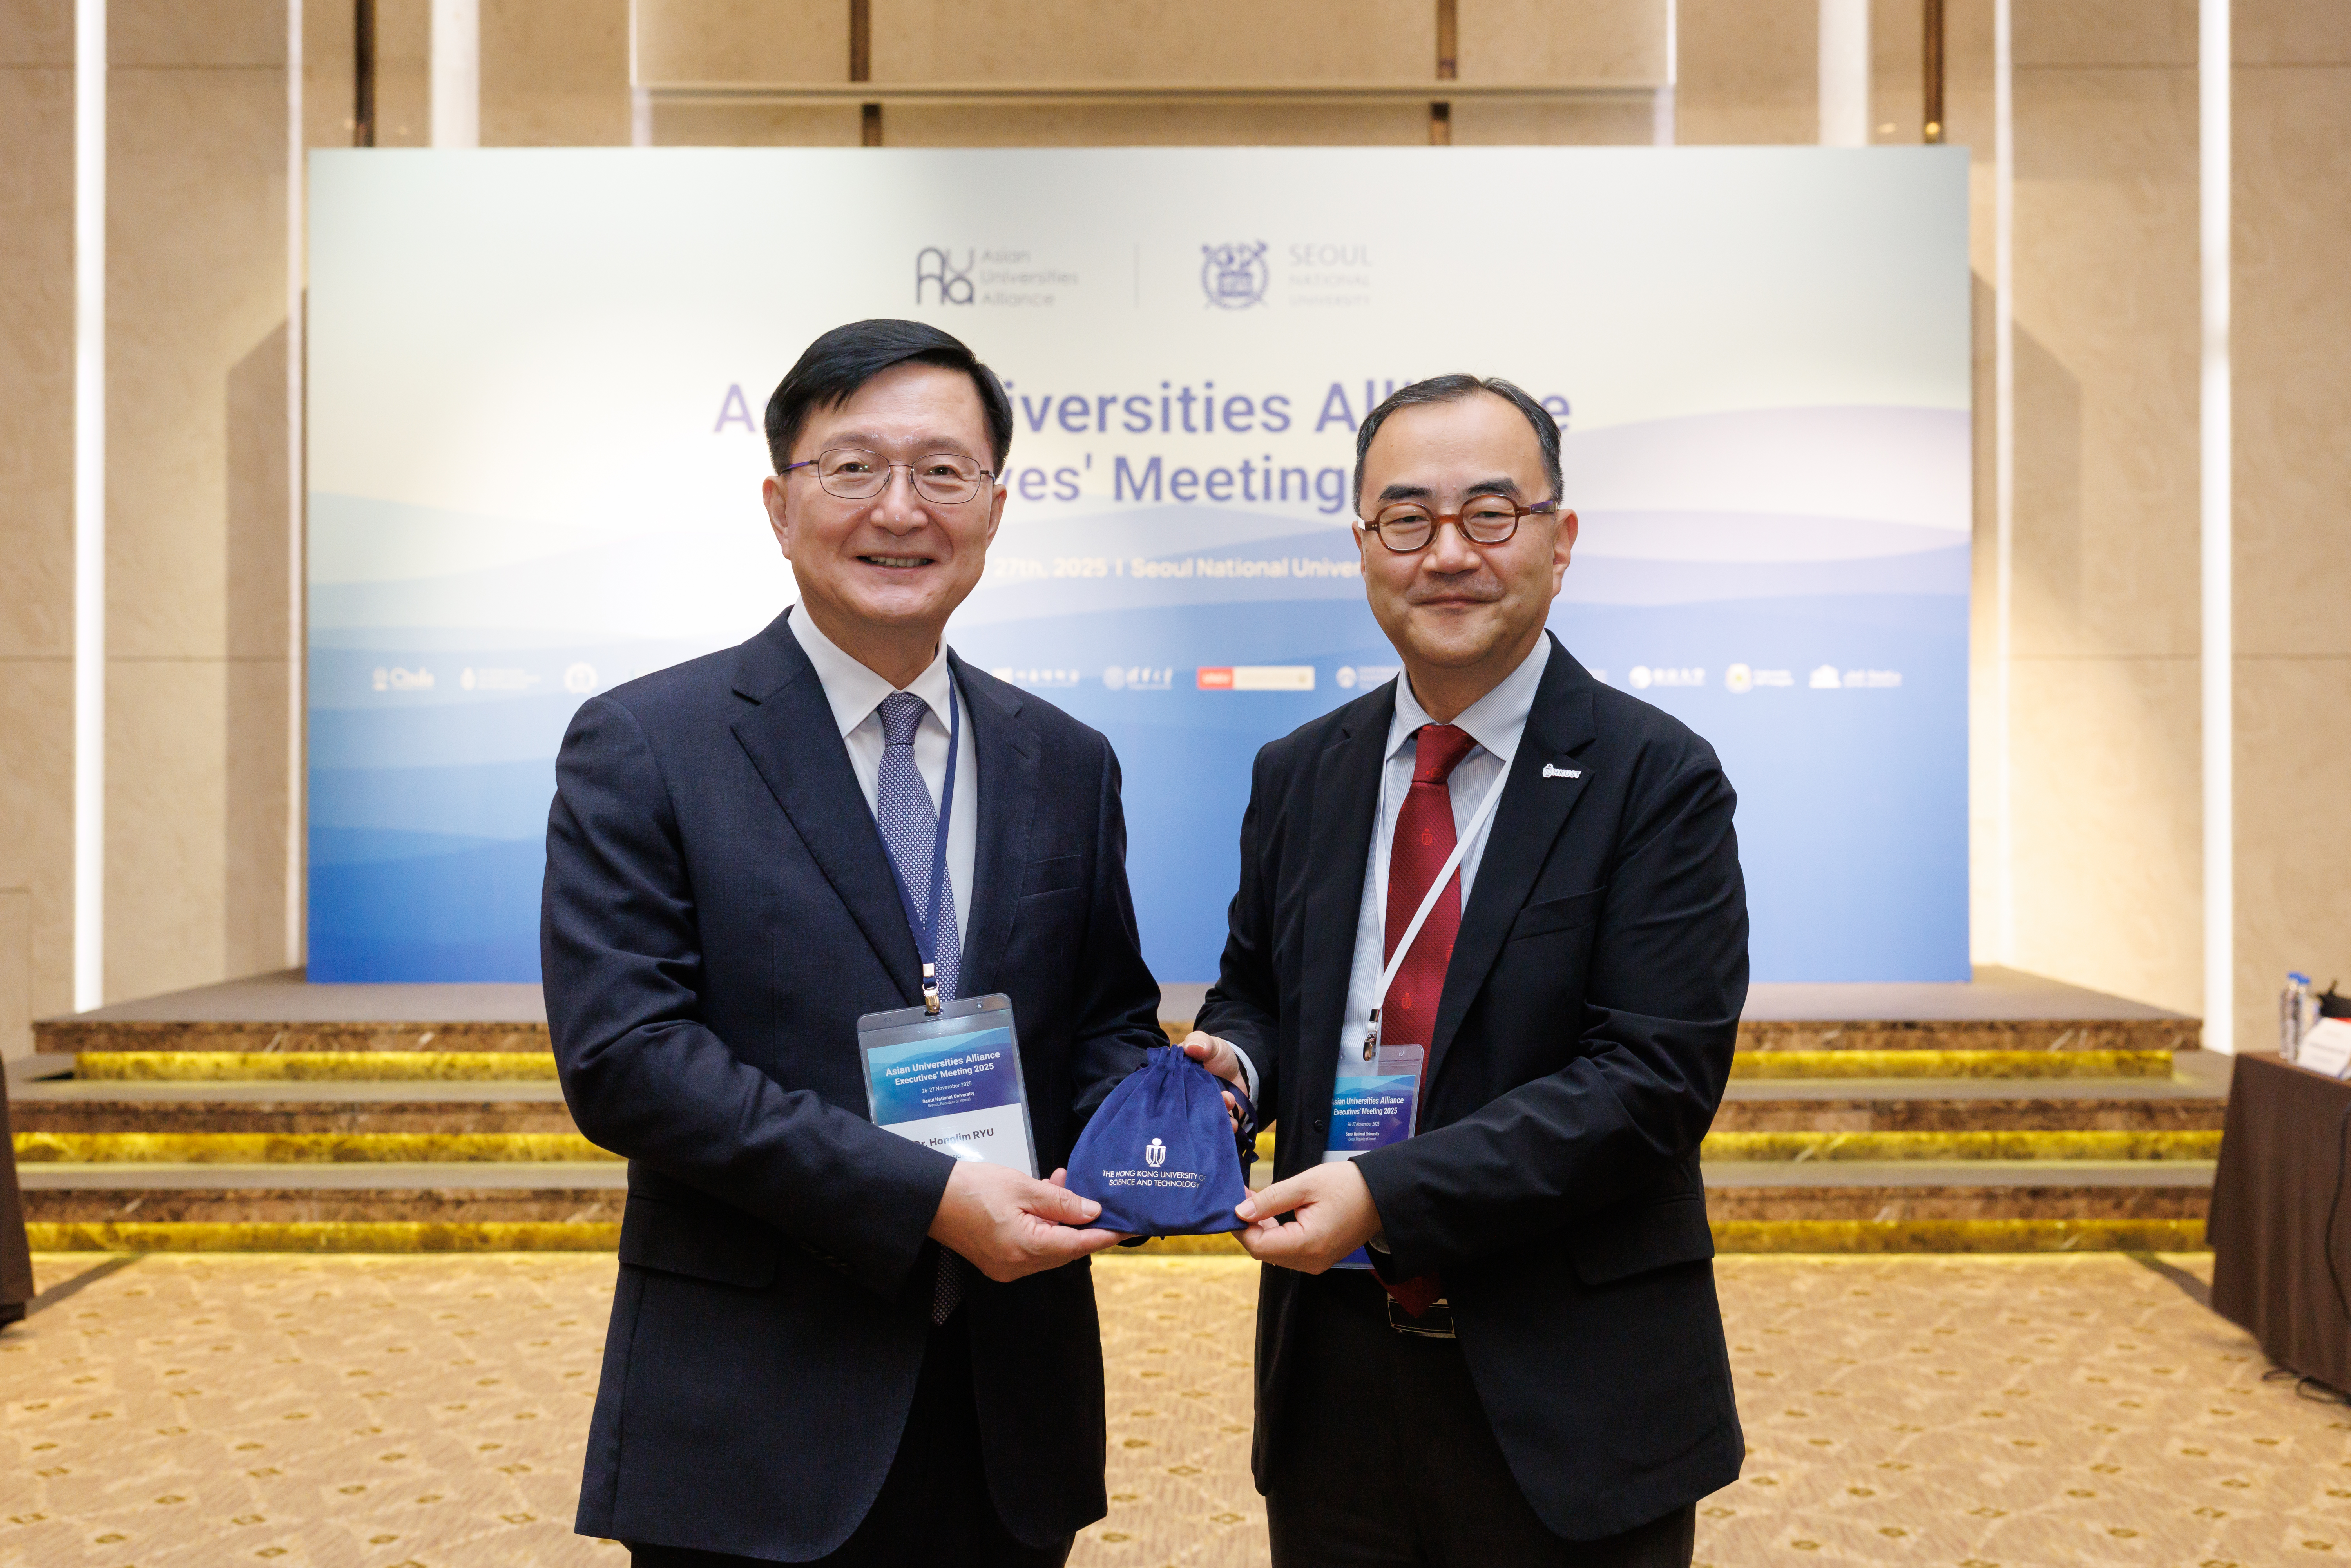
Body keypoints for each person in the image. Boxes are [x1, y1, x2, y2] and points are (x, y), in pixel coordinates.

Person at [543, 319, 1166, 1565]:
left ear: (995, 505)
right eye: (853, 467)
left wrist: (1157, 1129)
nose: (901, 507)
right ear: (780, 503)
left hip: (1008, 1407)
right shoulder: (647, 742)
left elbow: (1100, 1017)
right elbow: (630, 1059)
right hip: (756, 1415)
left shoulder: (1064, 760)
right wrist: (930, 1196)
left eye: (944, 471)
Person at [1183, 375, 1748, 1566]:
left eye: (1490, 515)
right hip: (1333, 1376)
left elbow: (1649, 1082)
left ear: (1559, 539)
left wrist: (1389, 1193)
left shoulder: (1657, 778)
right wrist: (1230, 1068)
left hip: (1571, 1394)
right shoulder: (1303, 770)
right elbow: (1259, 991)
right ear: (1362, 545)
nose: (1448, 554)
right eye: (1408, 518)